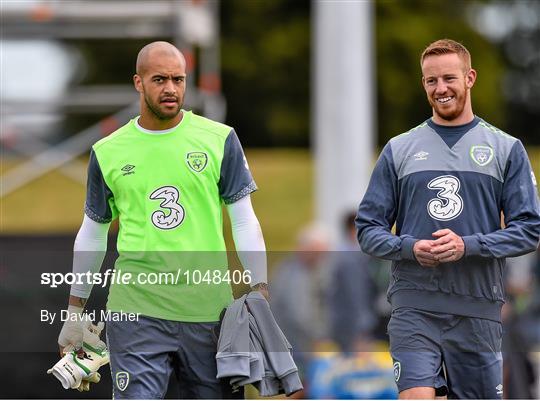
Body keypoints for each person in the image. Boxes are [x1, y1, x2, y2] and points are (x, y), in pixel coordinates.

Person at [56, 41, 268, 399]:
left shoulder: (219, 140)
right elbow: (93, 233)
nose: (171, 89)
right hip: (135, 311)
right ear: (138, 83)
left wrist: (260, 290)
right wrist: (75, 309)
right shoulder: (108, 152)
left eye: (178, 79)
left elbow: (245, 221)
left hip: (208, 310)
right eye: (159, 79)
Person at [356, 38, 540, 399]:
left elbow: (529, 230)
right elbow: (367, 229)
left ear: (470, 77)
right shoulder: (399, 149)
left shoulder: (506, 149)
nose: (440, 89)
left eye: (449, 78)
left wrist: (467, 245)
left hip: (478, 309)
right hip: (415, 306)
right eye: (430, 81)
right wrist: (409, 248)